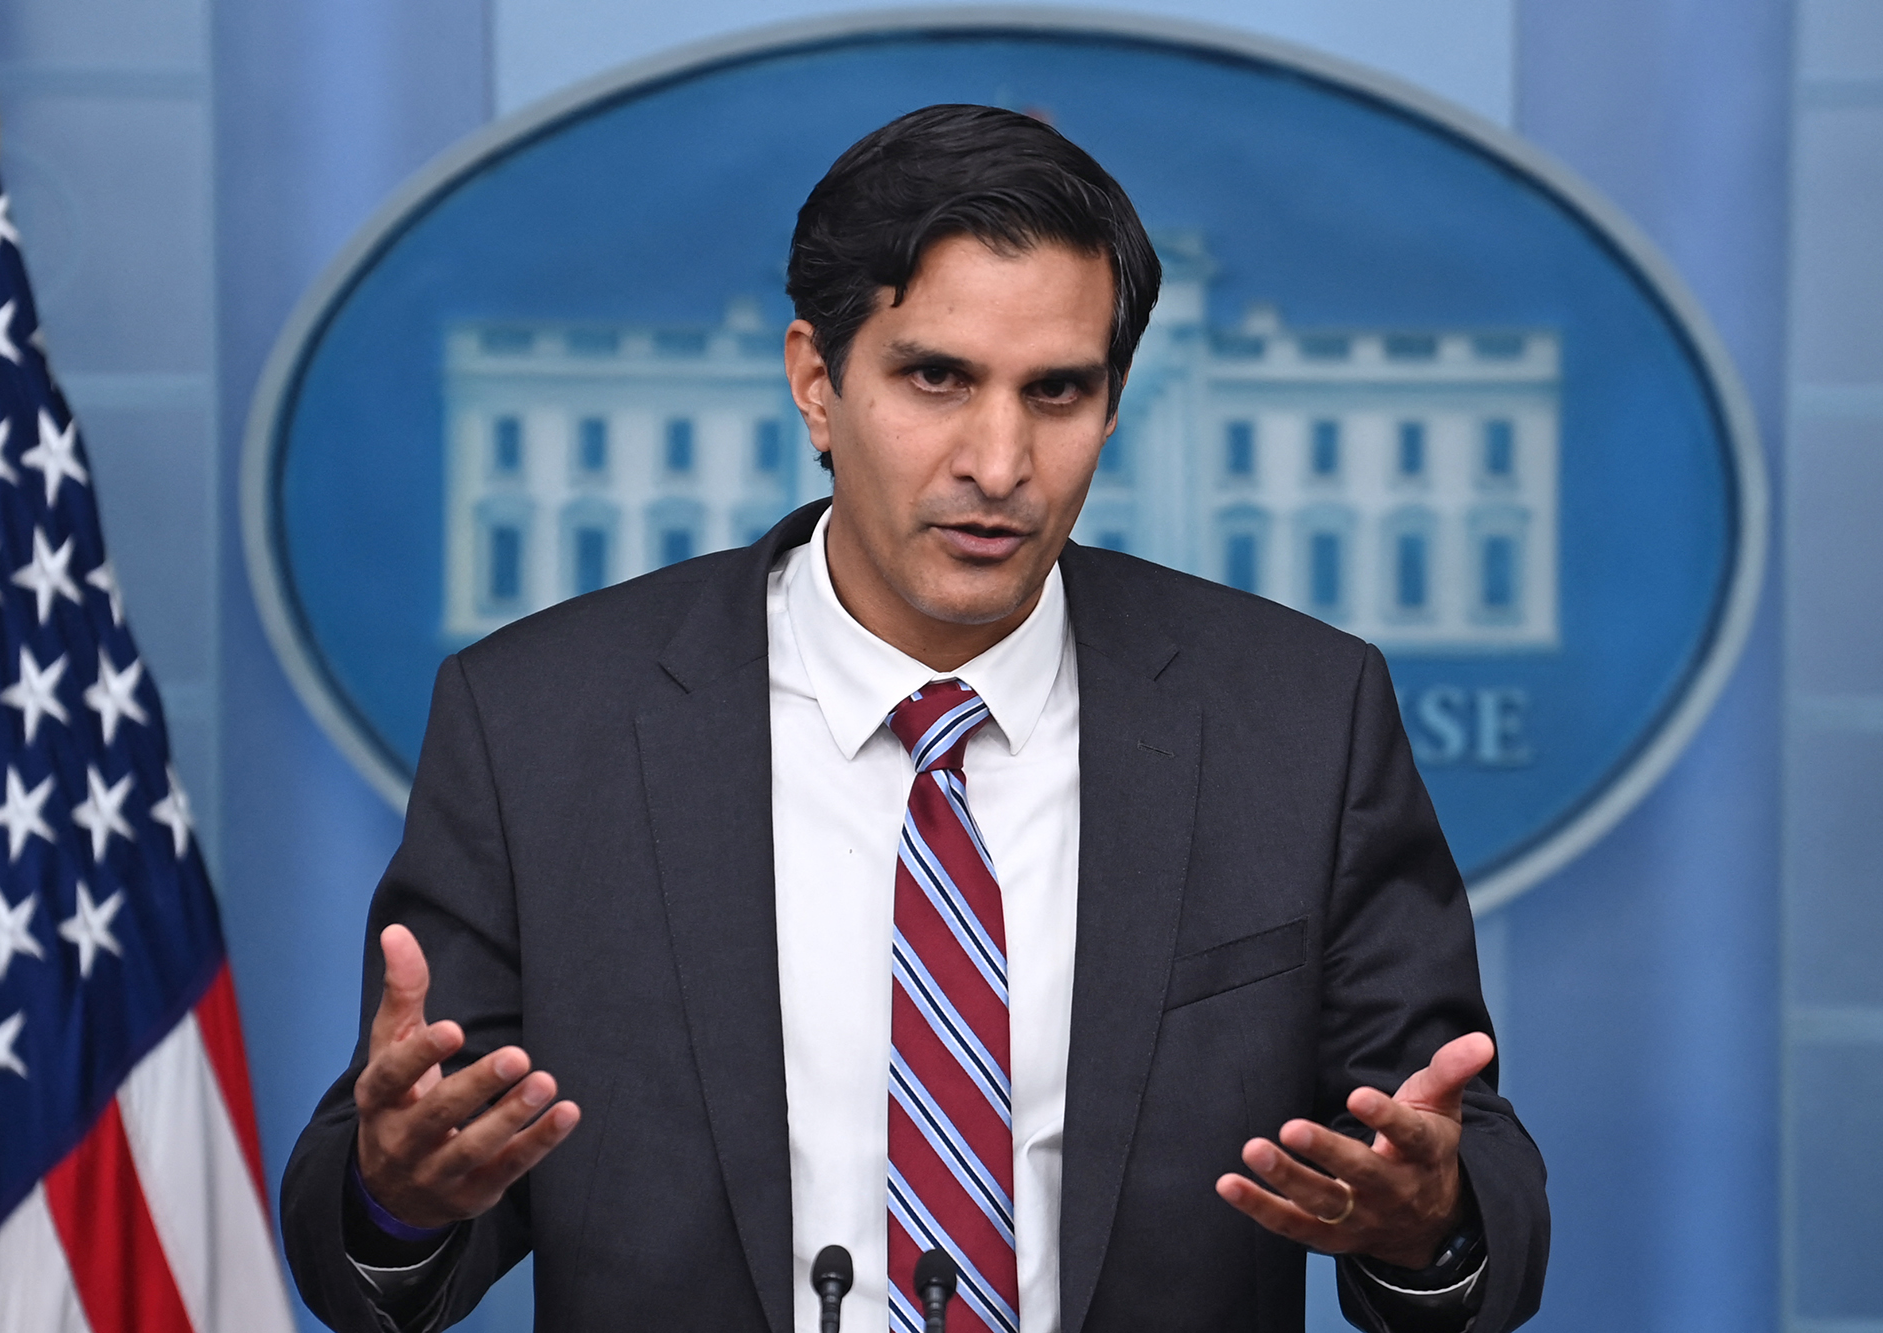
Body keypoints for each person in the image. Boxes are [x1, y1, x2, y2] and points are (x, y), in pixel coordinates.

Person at [282, 104, 1548, 1333]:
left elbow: (1466, 1186)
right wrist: (398, 1204)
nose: (997, 463)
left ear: (1110, 406)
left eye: (1055, 392)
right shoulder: (538, 726)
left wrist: (1426, 1219)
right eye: (936, 378)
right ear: (815, 384)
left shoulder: (1299, 720)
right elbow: (385, 1219)